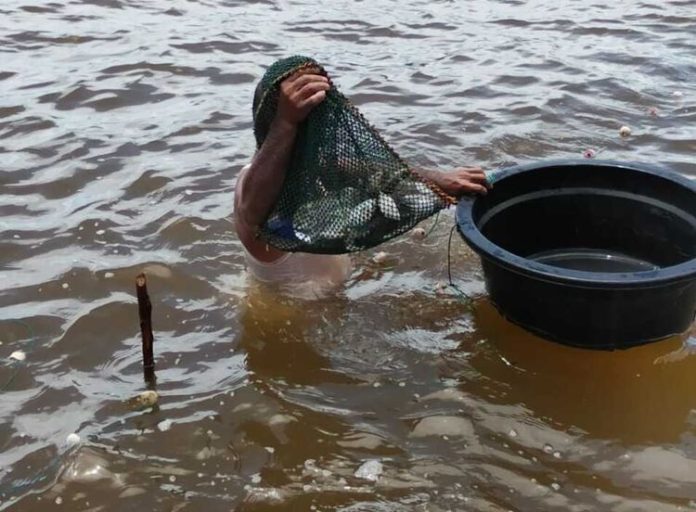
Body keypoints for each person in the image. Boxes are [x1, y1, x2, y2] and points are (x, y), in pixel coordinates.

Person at [234, 65, 490, 296]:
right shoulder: (254, 189)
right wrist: (286, 121)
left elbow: (378, 173)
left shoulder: (318, 167)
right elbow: (251, 213)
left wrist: (441, 181)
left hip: (336, 294)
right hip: (295, 313)